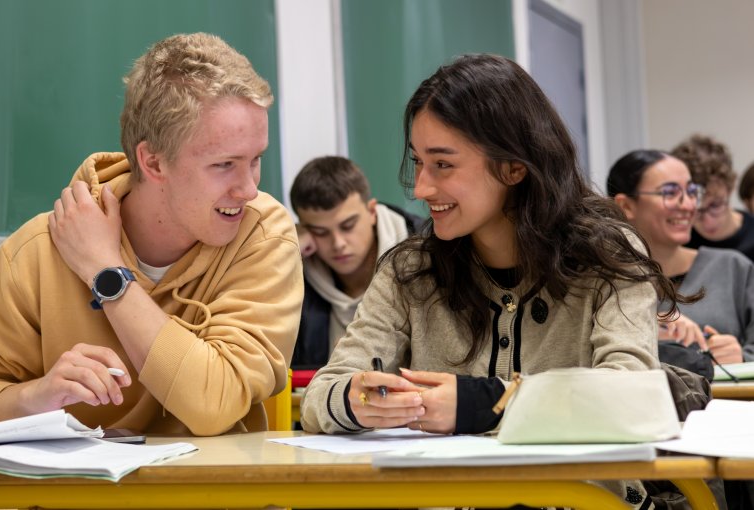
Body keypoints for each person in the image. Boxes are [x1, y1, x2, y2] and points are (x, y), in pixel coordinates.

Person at [300, 54, 685, 509]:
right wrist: (356, 398)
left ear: (513, 167)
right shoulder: (409, 271)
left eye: (443, 165)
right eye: (418, 162)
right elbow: (318, 399)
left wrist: (482, 403)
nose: (421, 188)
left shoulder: (607, 256)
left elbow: (633, 399)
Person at [0, 33, 304, 435]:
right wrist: (33, 398)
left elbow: (214, 404)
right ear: (154, 162)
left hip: (214, 493)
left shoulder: (263, 236)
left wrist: (105, 271)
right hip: (72, 496)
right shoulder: (33, 253)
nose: (248, 189)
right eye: (225, 164)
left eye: (256, 160)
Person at [607, 149, 754, 364]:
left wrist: (742, 357)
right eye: (670, 193)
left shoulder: (734, 268)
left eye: (692, 192)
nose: (688, 205)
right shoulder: (601, 280)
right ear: (626, 206)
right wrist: (645, 325)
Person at [289, 156, 423, 370]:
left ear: (372, 212)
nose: (338, 243)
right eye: (320, 232)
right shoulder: (295, 275)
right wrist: (285, 252)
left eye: (348, 226)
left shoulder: (429, 255)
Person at [672, 134, 754, 262]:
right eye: (696, 209)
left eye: (715, 205)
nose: (708, 222)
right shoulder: (676, 243)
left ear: (730, 188)